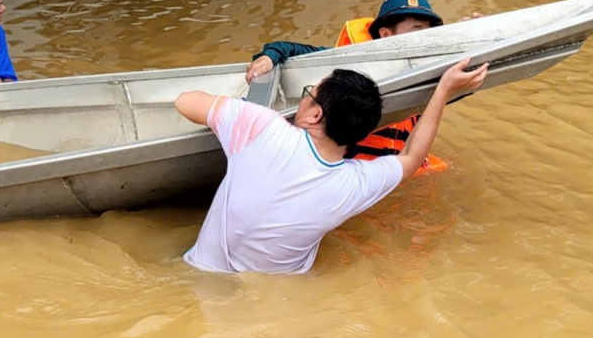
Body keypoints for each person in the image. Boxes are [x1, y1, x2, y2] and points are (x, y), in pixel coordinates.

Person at [174, 58, 488, 274]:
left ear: (315, 115)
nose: (303, 100)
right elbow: (411, 157)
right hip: (281, 301)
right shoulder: (357, 183)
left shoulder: (258, 126)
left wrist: (235, 111)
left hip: (200, 274)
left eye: (308, 95)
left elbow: (185, 101)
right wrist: (444, 90)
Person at [245, 0, 481, 174]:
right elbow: (291, 49)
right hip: (362, 170)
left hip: (406, 165)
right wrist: (269, 56)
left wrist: (469, 41)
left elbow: (460, 84)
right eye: (417, 30)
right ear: (386, 35)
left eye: (429, 31)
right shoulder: (350, 64)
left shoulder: (425, 69)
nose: (425, 37)